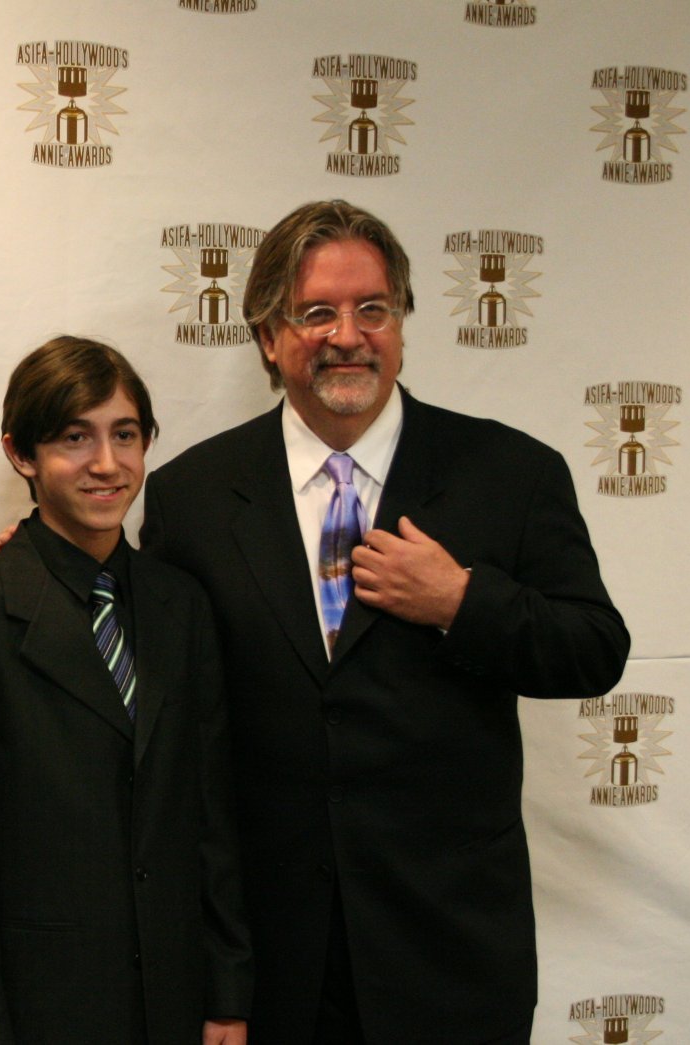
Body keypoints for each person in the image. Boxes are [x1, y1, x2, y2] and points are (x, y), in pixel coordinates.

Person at [140, 199, 630, 1044]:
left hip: (449, 955)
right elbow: (167, 699)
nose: (347, 334)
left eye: (373, 309)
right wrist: (46, 560)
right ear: (266, 335)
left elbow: (592, 648)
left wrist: (460, 601)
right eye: (315, 313)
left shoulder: (509, 472)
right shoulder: (189, 496)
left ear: (400, 324)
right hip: (272, 963)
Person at [0, 336, 253, 1045]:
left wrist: (226, 991)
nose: (106, 463)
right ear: (21, 453)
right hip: (39, 1009)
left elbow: (212, 813)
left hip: (174, 997)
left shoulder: (181, 606)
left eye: (124, 435)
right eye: (75, 437)